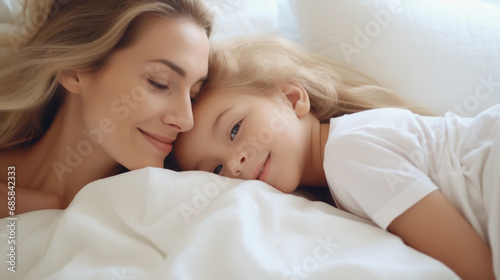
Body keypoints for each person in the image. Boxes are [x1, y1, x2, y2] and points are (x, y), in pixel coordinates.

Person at [171, 37, 497, 280]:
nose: (234, 163)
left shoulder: (348, 153)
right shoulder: (341, 167)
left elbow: (475, 269)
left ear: (291, 98)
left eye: (234, 130)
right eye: (215, 169)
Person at [0, 0, 213, 217]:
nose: (186, 120)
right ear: (73, 71)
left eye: (193, 95)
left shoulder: (174, 212)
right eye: (160, 83)